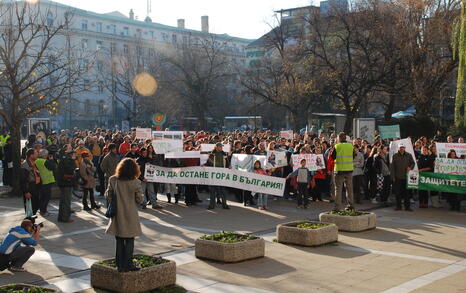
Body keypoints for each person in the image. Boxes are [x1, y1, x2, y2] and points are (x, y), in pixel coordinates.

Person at [105, 158, 143, 272]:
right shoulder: (136, 182)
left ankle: (120, 264)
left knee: (119, 240)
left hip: (118, 214)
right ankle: (128, 264)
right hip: (131, 213)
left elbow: (108, 195)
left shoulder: (113, 180)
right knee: (130, 240)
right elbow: (139, 199)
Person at [332, 132, 355, 211]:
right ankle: (351, 206)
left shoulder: (337, 146)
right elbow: (354, 156)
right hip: (349, 170)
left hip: (339, 171)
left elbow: (332, 157)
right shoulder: (350, 146)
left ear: (340, 138)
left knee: (338, 189)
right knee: (349, 188)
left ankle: (337, 207)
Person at [390, 143, 415, 211]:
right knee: (397, 193)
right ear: (398, 148)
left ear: (405, 148)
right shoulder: (394, 156)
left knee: (407, 193)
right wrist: (393, 176)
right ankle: (398, 206)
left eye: (403, 147)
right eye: (400, 147)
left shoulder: (409, 155)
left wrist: (410, 167)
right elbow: (392, 167)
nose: (402, 148)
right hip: (397, 177)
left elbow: (413, 163)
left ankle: (407, 207)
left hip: (406, 177)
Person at [56, 144, 76, 223]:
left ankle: (61, 217)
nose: (71, 149)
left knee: (63, 201)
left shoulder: (63, 157)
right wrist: (73, 160)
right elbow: (71, 169)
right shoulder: (66, 158)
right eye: (70, 148)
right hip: (66, 181)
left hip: (64, 181)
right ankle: (65, 218)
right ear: (66, 150)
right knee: (66, 201)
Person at [206, 143, 230, 209]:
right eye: (220, 146)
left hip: (222, 175)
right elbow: (208, 163)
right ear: (216, 147)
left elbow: (227, 163)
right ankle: (211, 205)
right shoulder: (211, 154)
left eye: (222, 146)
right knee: (212, 191)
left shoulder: (224, 154)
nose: (221, 147)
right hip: (214, 175)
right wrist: (204, 165)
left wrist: (229, 166)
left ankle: (224, 205)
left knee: (223, 191)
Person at [35, 149, 56, 217]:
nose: (47, 156)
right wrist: (51, 160)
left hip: (41, 180)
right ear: (44, 155)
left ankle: (42, 210)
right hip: (47, 181)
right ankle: (43, 211)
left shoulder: (37, 161)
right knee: (46, 197)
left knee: (42, 197)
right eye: (46, 155)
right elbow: (52, 167)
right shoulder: (45, 161)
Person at [20, 149, 41, 216]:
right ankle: (29, 224)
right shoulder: (25, 165)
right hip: (30, 188)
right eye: (36, 153)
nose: (37, 154)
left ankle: (32, 224)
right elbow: (23, 180)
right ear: (31, 155)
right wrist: (26, 192)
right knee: (30, 210)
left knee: (35, 207)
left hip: (35, 187)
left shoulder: (34, 163)